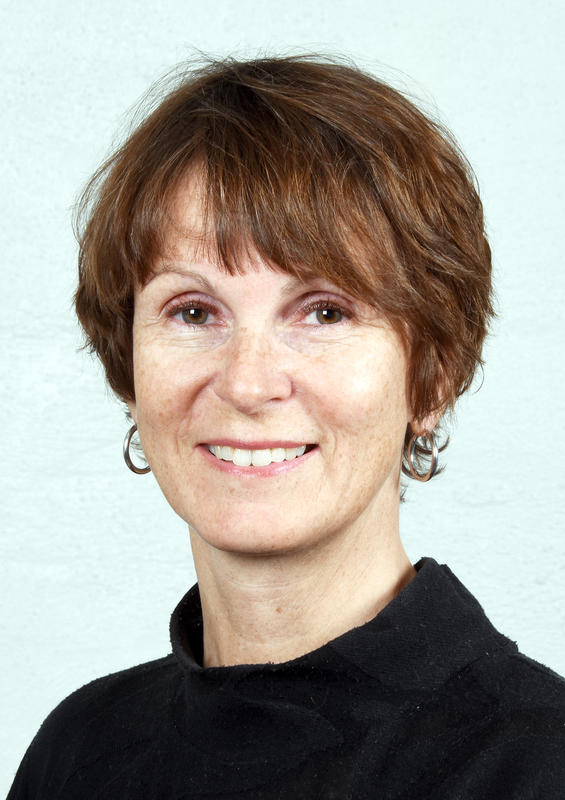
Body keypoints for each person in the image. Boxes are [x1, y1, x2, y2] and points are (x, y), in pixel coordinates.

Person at [8, 55, 565, 799]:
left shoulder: (534, 766)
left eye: (325, 312)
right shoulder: (80, 751)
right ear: (129, 369)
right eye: (193, 312)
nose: (247, 382)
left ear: (431, 376)